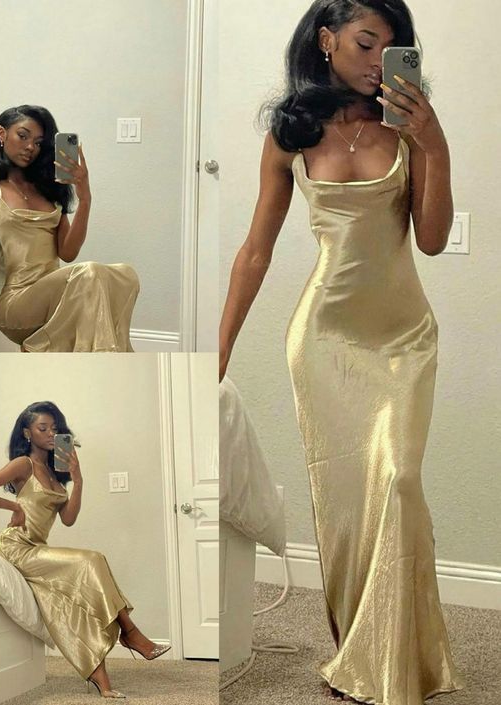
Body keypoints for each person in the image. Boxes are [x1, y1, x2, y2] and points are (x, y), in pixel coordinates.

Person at [219, 1, 465, 703]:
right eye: (365, 42)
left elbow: (432, 240)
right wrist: (219, 350)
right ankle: (361, 653)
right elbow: (256, 250)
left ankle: (397, 661)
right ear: (326, 41)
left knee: (399, 481)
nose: (378, 59)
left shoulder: (409, 128)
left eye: (392, 46)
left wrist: (435, 145)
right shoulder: (291, 134)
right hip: (325, 336)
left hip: (403, 336)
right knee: (347, 501)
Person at [0, 401, 170, 699]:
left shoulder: (54, 471)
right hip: (16, 547)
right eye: (43, 428)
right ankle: (130, 632)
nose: (50, 433)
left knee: (73, 601)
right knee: (92, 559)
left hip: (37, 549)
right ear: (27, 433)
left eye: (54, 428)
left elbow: (68, 519)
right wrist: (14, 507)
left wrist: (78, 478)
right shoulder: (23, 465)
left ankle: (100, 675)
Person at [0, 105, 139, 352]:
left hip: (59, 296)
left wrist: (85, 198)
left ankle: (78, 357)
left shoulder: (50, 193)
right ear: (2, 135)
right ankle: (103, 362)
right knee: (89, 273)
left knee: (126, 276)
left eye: (38, 142)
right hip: (18, 302)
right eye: (23, 136)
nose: (30, 147)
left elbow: (68, 253)